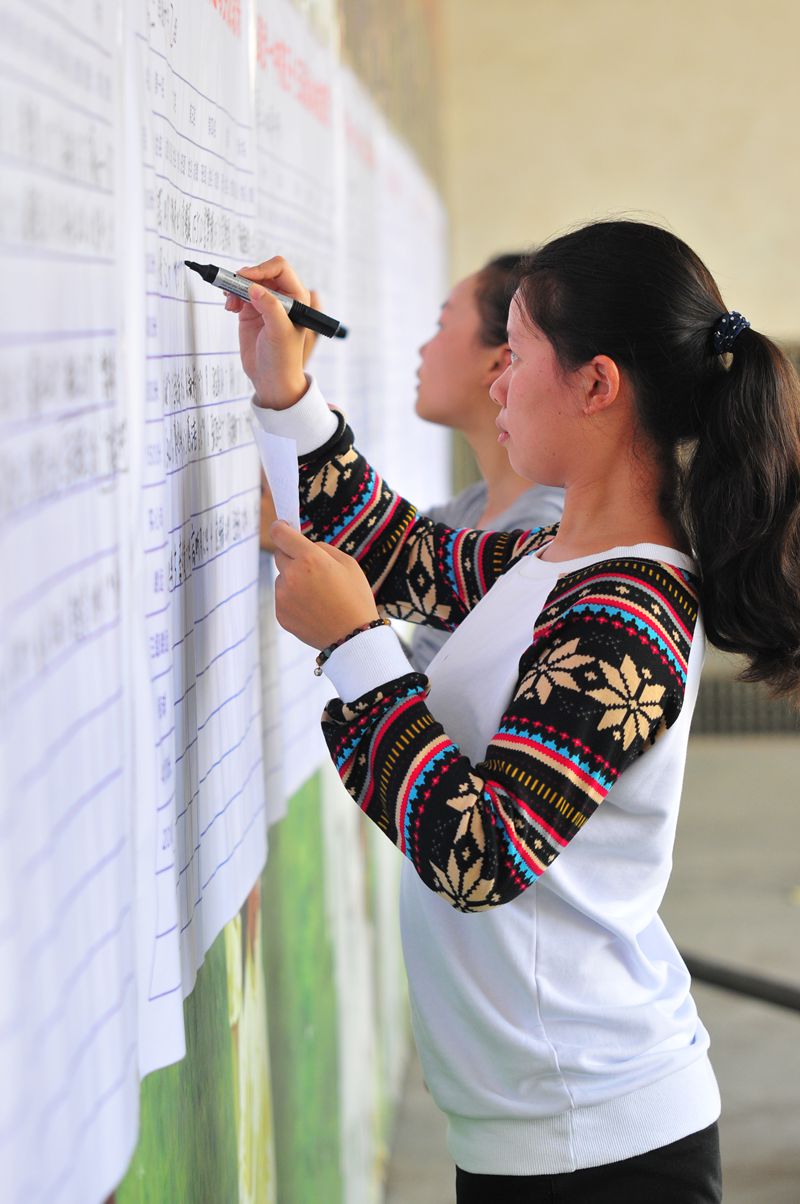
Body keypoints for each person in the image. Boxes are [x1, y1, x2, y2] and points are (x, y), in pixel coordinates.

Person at [227, 220, 800, 1201]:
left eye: (520, 354)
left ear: (595, 384)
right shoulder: (555, 560)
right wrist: (287, 388)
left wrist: (356, 647)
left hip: (598, 1141)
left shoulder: (626, 614)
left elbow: (481, 852)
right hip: (540, 1123)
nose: (499, 381)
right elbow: (399, 554)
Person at [409, 254, 563, 670]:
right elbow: (377, 551)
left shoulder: (540, 532)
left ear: (498, 361)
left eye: (442, 325)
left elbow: (426, 698)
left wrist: (351, 638)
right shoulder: (474, 506)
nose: (424, 348)